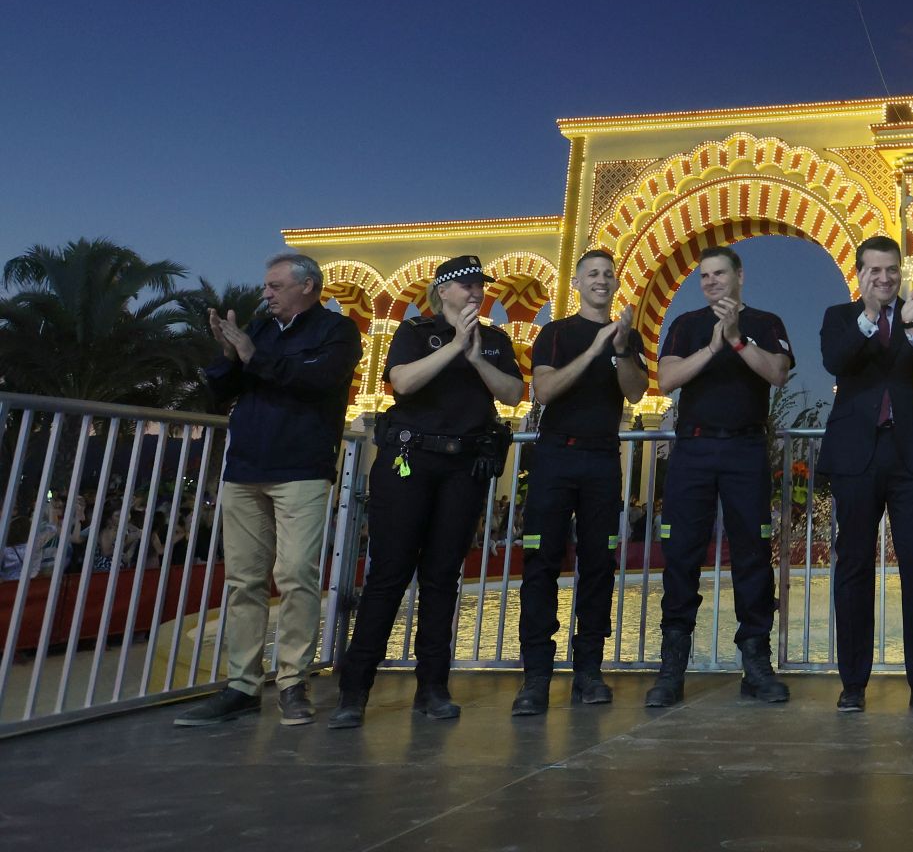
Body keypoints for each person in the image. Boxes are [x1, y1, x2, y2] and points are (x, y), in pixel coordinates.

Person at [330, 255, 522, 728]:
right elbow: (402, 382)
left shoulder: (495, 341)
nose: (476, 292)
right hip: (410, 461)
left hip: (463, 469)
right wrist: (455, 345)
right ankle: (354, 690)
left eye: (480, 285)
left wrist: (475, 356)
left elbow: (514, 394)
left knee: (442, 578)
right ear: (443, 291)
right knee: (389, 573)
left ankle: (433, 687)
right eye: (467, 284)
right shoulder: (416, 332)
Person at [176, 253, 362, 727]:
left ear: (308, 286)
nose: (266, 294)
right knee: (243, 580)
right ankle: (242, 684)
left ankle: (292, 680)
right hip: (244, 468)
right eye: (266, 286)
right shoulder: (257, 330)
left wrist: (252, 354)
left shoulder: (337, 331)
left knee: (297, 573)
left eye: (275, 286)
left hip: (301, 468)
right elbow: (221, 391)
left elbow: (316, 379)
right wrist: (228, 353)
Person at [644, 245, 795, 708]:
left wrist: (736, 340)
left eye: (719, 274)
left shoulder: (766, 323)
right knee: (681, 554)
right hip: (693, 449)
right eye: (704, 276)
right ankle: (672, 667)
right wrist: (712, 346)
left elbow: (777, 374)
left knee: (752, 553)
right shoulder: (686, 325)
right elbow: (667, 379)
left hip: (745, 448)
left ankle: (756, 663)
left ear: (739, 276)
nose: (710, 282)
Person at [817, 235, 913, 714]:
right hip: (857, 456)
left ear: (900, 271)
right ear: (859, 274)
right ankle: (853, 683)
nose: (884, 277)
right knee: (854, 566)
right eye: (874, 270)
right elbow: (836, 361)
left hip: (909, 455)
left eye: (891, 269)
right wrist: (870, 318)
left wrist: (912, 326)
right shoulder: (840, 317)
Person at [510, 249, 648, 716]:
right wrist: (593, 350)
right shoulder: (556, 333)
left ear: (615, 283)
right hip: (555, 456)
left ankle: (588, 669)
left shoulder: (628, 337)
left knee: (599, 563)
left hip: (602, 458)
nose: (601, 280)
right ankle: (536, 675)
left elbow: (635, 392)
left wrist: (621, 348)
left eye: (608, 274)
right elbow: (544, 391)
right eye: (592, 274)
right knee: (541, 562)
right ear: (578, 283)